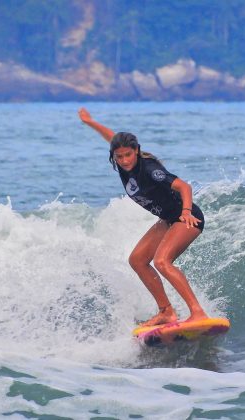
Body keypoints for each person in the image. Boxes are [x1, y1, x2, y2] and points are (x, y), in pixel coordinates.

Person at [78, 107, 209, 326]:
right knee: (137, 260)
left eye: (128, 155)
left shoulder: (149, 169)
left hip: (186, 217)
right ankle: (166, 311)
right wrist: (89, 122)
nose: (125, 160)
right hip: (167, 219)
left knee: (162, 262)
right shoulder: (121, 161)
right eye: (119, 157)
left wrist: (186, 212)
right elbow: (112, 137)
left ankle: (198, 312)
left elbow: (184, 187)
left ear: (136, 151)